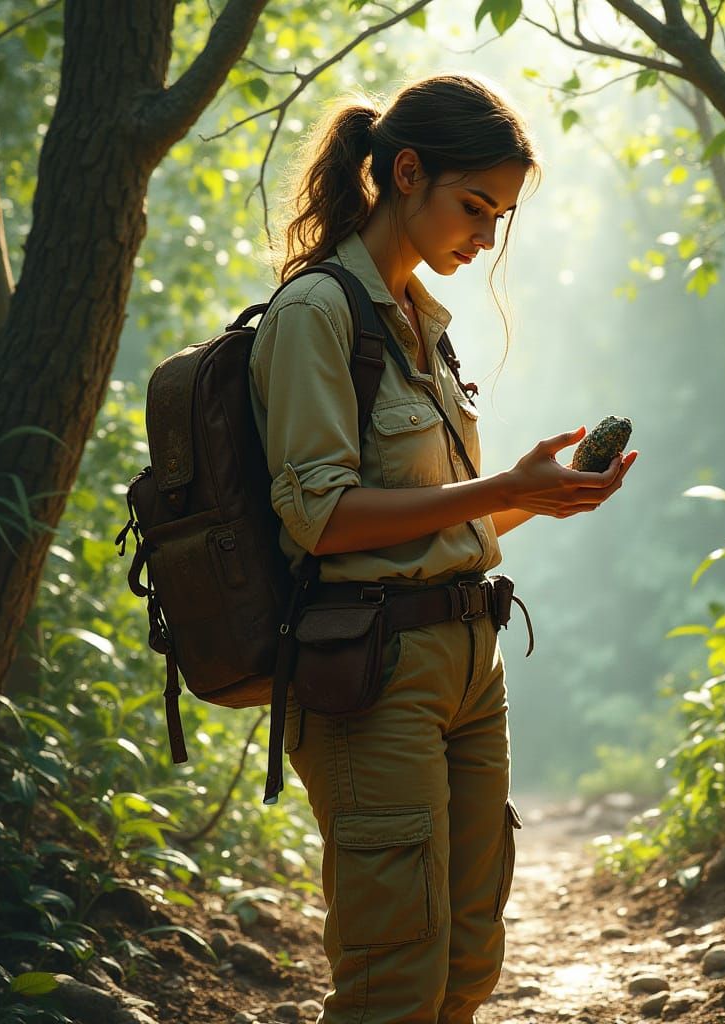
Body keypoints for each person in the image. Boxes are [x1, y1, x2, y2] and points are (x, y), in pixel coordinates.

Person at [248, 73, 638, 1024]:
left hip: (472, 664)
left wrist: (529, 504)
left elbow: (427, 519)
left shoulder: (423, 322)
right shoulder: (318, 314)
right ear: (406, 173)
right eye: (475, 206)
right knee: (393, 980)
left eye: (500, 215)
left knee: (468, 964)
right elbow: (323, 519)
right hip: (371, 676)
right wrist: (502, 487)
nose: (486, 235)